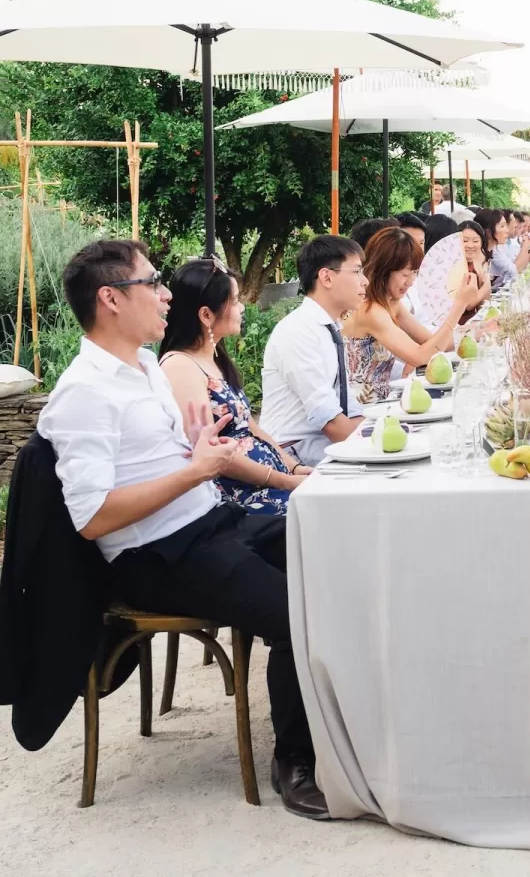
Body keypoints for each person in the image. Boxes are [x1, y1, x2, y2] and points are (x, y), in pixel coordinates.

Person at [38, 239, 329, 818]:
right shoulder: (83, 393)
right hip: (157, 555)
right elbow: (93, 518)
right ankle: (295, 761)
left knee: (331, 548)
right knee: (300, 613)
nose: (166, 293)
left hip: (209, 521)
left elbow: (169, 462)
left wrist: (198, 451)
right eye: (152, 283)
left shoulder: (145, 365)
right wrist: (197, 469)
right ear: (110, 299)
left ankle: (346, 723)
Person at [160, 258, 310, 514]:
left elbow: (251, 428)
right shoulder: (180, 367)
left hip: (271, 482)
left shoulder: (213, 358)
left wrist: (294, 468)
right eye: (236, 300)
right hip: (238, 495)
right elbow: (210, 451)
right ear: (206, 314)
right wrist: (284, 481)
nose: (242, 308)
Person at [260, 234, 367, 468]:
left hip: (318, 445)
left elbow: (346, 404)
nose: (365, 281)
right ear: (326, 277)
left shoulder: (329, 327)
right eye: (357, 271)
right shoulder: (298, 331)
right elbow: (330, 422)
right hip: (291, 455)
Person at [343, 226, 475, 401]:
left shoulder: (390, 304)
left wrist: (477, 331)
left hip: (384, 401)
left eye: (414, 273)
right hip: (362, 410)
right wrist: (459, 305)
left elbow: (432, 341)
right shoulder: (370, 310)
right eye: (405, 274)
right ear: (383, 271)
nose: (411, 282)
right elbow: (421, 356)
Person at [477, 208, 530, 290]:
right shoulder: (483, 254)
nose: (507, 230)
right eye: (502, 226)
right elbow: (514, 271)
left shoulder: (496, 247)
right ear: (488, 232)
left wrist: (529, 249)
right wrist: (525, 249)